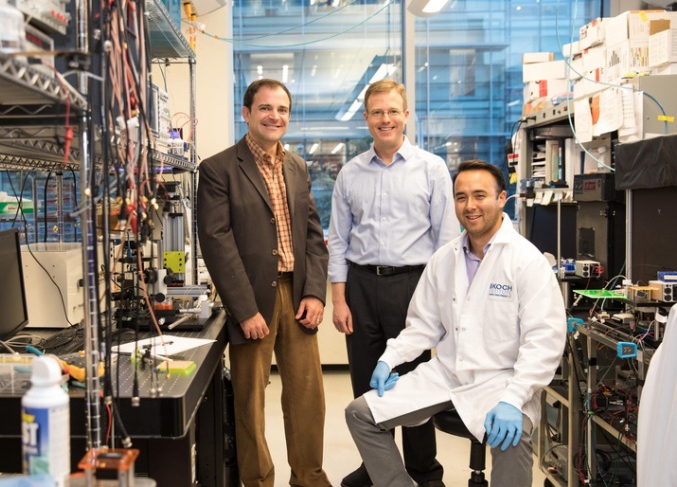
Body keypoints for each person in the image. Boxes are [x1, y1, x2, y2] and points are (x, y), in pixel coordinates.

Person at [344, 159, 567, 487]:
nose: (470, 206)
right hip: (447, 375)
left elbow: (544, 340)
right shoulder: (444, 258)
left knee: (512, 435)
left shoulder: (525, 260)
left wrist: (514, 396)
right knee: (360, 414)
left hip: (502, 381)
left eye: (480, 195)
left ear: (501, 198)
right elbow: (423, 324)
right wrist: (389, 359)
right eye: (461, 197)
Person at [197, 78, 331, 487]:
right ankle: (257, 480)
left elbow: (313, 235)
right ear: (246, 113)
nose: (275, 116)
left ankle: (308, 477)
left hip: (297, 294)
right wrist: (244, 308)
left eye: (283, 109)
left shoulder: (297, 166)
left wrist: (314, 292)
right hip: (252, 297)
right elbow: (216, 241)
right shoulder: (218, 168)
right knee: (250, 401)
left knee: (308, 398)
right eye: (266, 108)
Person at [327, 79, 459, 487]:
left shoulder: (431, 168)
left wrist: (442, 301)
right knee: (368, 380)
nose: (386, 119)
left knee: (416, 379)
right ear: (367, 119)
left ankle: (423, 470)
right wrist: (339, 300)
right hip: (361, 287)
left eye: (392, 111)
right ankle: (375, 468)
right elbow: (338, 240)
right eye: (377, 112)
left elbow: (447, 241)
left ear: (406, 116)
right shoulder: (350, 173)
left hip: (413, 285)